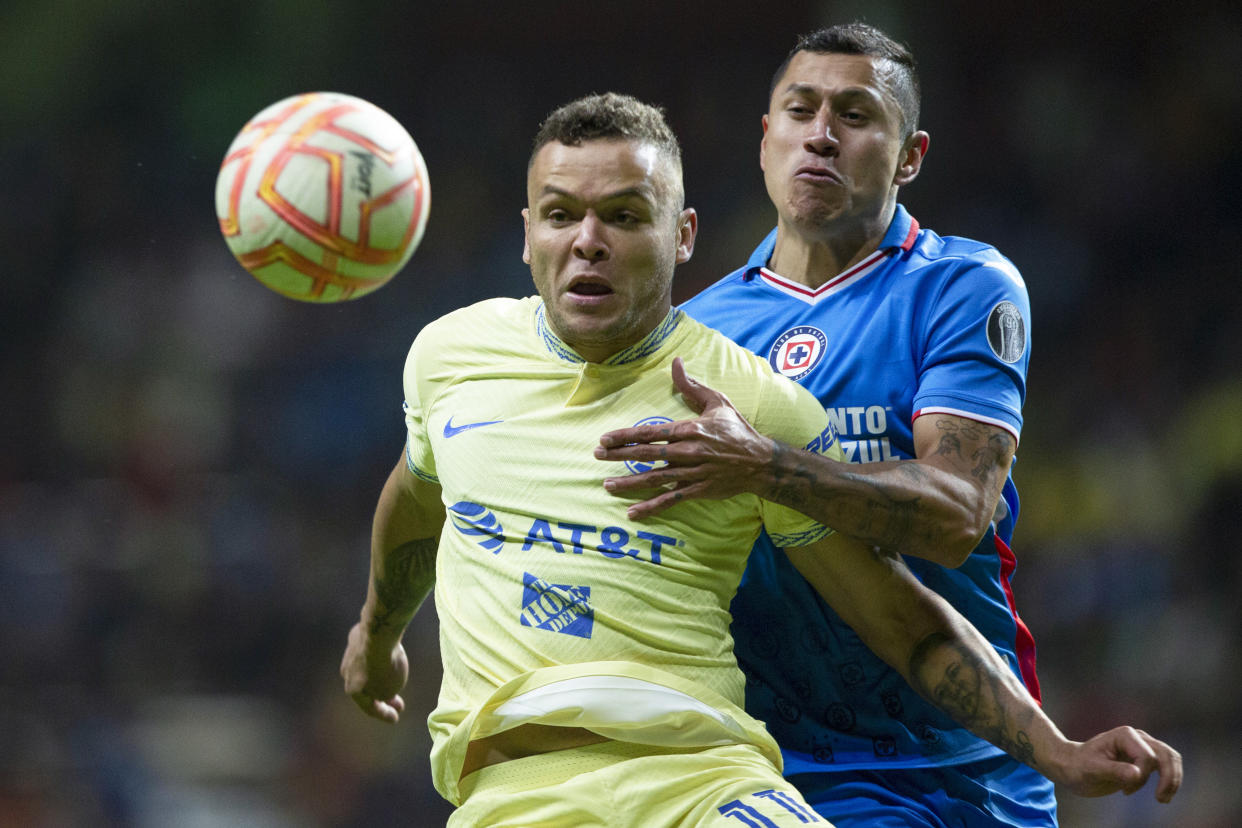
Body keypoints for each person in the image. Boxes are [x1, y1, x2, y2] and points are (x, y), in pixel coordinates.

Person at [339, 92, 1169, 827]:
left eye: (626, 216)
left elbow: (895, 616)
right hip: (521, 792)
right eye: (561, 215)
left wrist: (1054, 750)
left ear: (683, 234)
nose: (587, 242)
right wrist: (379, 634)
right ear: (528, 236)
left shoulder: (754, 408)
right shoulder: (449, 357)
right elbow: (417, 496)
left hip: (705, 784)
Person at [593, 24, 1182, 826]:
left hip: (951, 772)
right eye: (799, 111)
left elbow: (953, 514)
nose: (822, 135)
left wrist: (765, 465)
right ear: (766, 140)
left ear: (911, 156)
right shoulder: (696, 333)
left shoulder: (961, 287)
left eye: (856, 115)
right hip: (757, 773)